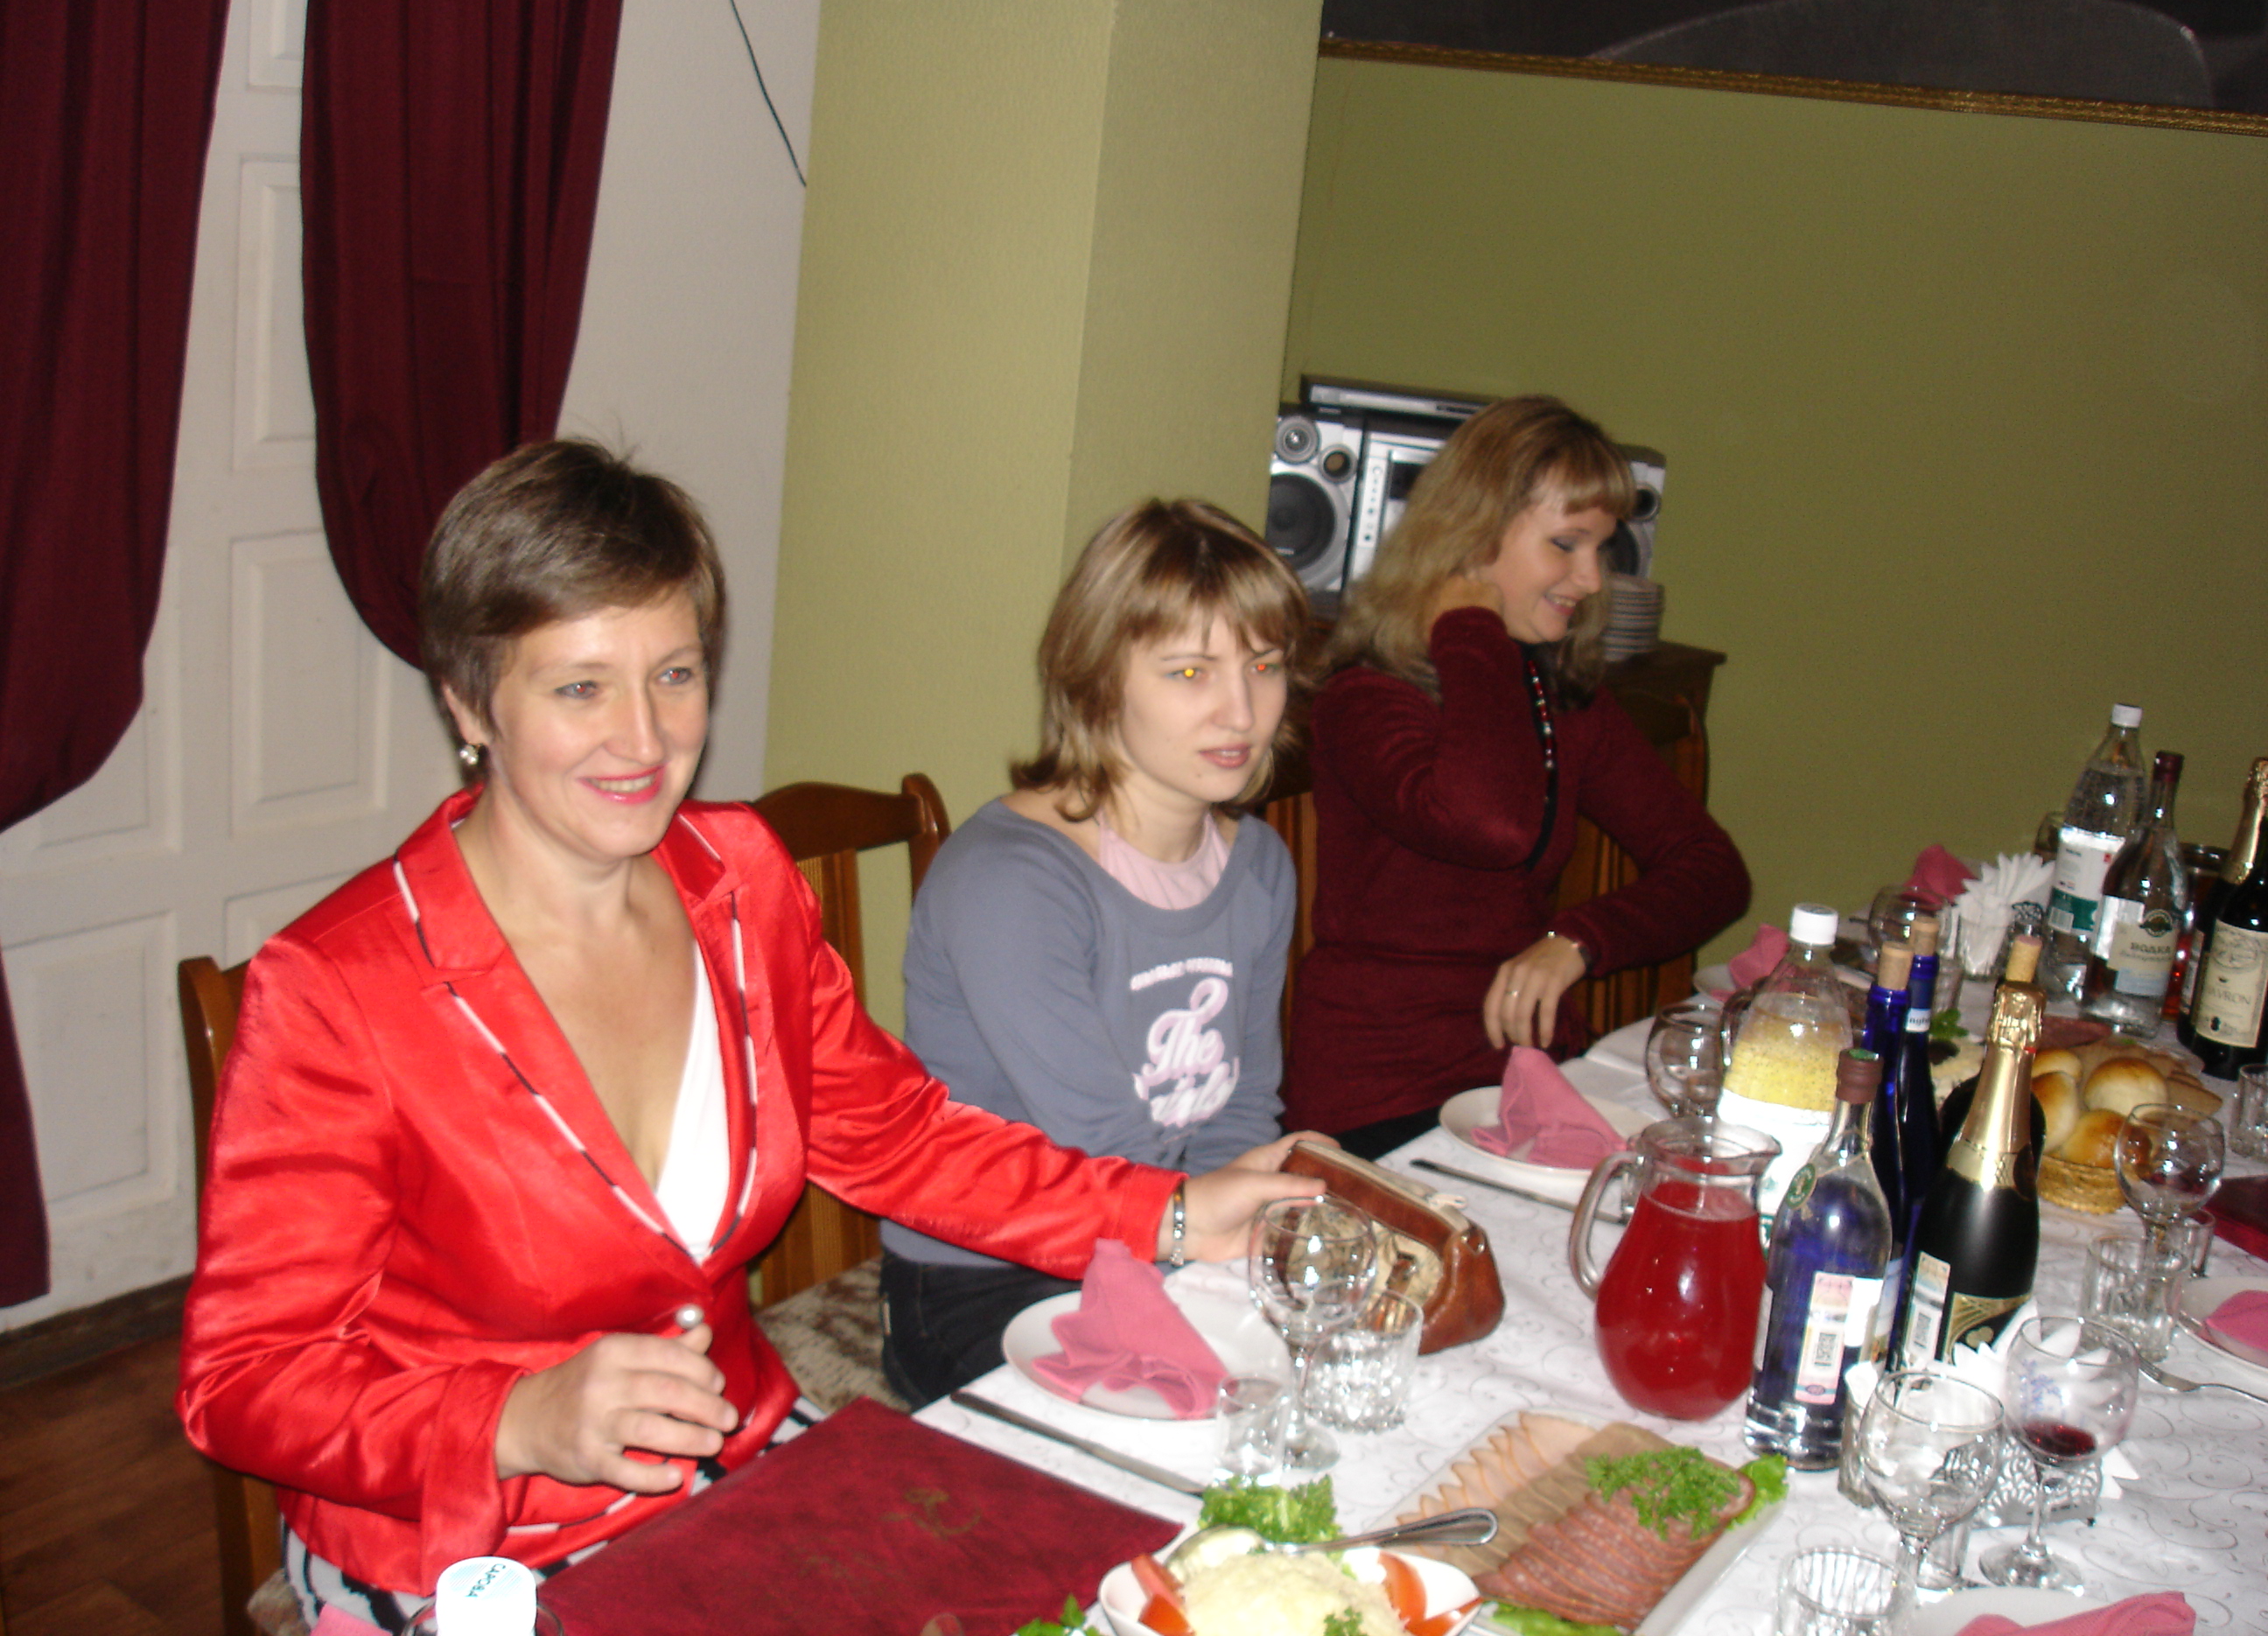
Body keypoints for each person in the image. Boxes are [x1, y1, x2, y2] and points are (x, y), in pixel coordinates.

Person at [175, 444, 1314, 1623]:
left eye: (674, 674)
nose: (643, 738)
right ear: (469, 702)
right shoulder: (339, 989)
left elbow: (904, 1140)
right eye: (580, 688)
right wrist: (513, 1417)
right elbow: (245, 1379)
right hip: (470, 1539)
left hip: (730, 1461)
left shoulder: (739, 883)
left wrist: (1172, 1213)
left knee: (1133, 1585)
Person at [879, 499, 1312, 1407]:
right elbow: (1103, 1152)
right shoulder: (1012, 882)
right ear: (1097, 680)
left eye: (1263, 665)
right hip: (988, 1278)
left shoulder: (1260, 867)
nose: (1241, 710)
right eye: (1190, 671)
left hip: (1172, 1234)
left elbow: (1241, 1110)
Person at [1280, 396, 1749, 1158]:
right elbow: (1489, 825)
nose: (1591, 578)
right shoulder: (1365, 697)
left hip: (1525, 1077)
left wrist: (1578, 940)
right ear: (1471, 537)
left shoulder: (1556, 694)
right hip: (1381, 1096)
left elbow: (1714, 871)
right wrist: (1468, 625)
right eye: (1566, 544)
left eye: (1601, 548)